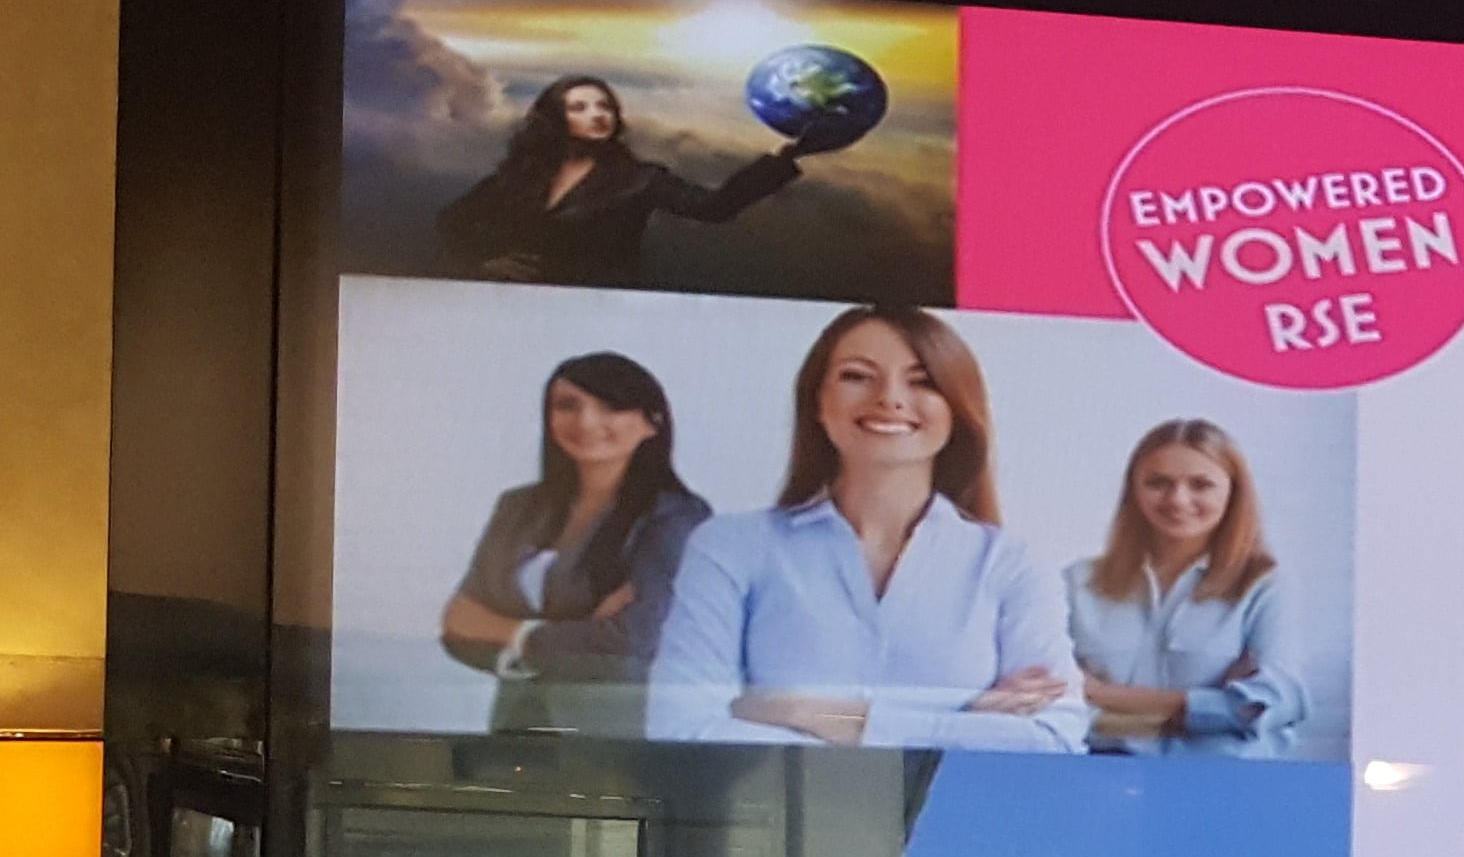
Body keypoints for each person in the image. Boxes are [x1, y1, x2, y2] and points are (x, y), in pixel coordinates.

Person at [648, 307, 1086, 751]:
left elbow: (1056, 739)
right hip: (779, 800)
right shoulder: (730, 546)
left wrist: (817, 715)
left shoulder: (1010, 563)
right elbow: (682, 729)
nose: (890, 399)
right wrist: (959, 725)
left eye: (922, 381)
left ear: (956, 409)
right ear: (817, 402)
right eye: (857, 376)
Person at [439, 354, 712, 737]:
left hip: (616, 737)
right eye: (567, 405)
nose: (585, 421)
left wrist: (511, 634)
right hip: (514, 730)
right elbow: (457, 628)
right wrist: (579, 632)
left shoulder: (675, 517)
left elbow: (632, 640)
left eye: (611, 407)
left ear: (652, 423)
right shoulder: (518, 507)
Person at [433, 73, 849, 289]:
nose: (599, 115)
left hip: (601, 311)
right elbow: (452, 221)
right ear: (554, 118)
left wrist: (786, 158)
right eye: (580, 107)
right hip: (515, 305)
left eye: (605, 106)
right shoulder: (520, 175)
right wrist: (481, 265)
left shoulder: (640, 179)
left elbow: (716, 208)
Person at [1067, 419, 1313, 757]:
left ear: (1233, 492)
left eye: (1201, 485)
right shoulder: (1078, 583)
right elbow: (1048, 697)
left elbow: (1275, 702)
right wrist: (1213, 709)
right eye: (1158, 483)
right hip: (1102, 774)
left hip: (1224, 780)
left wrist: (1104, 695)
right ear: (1133, 491)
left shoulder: (1263, 585)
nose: (1178, 499)